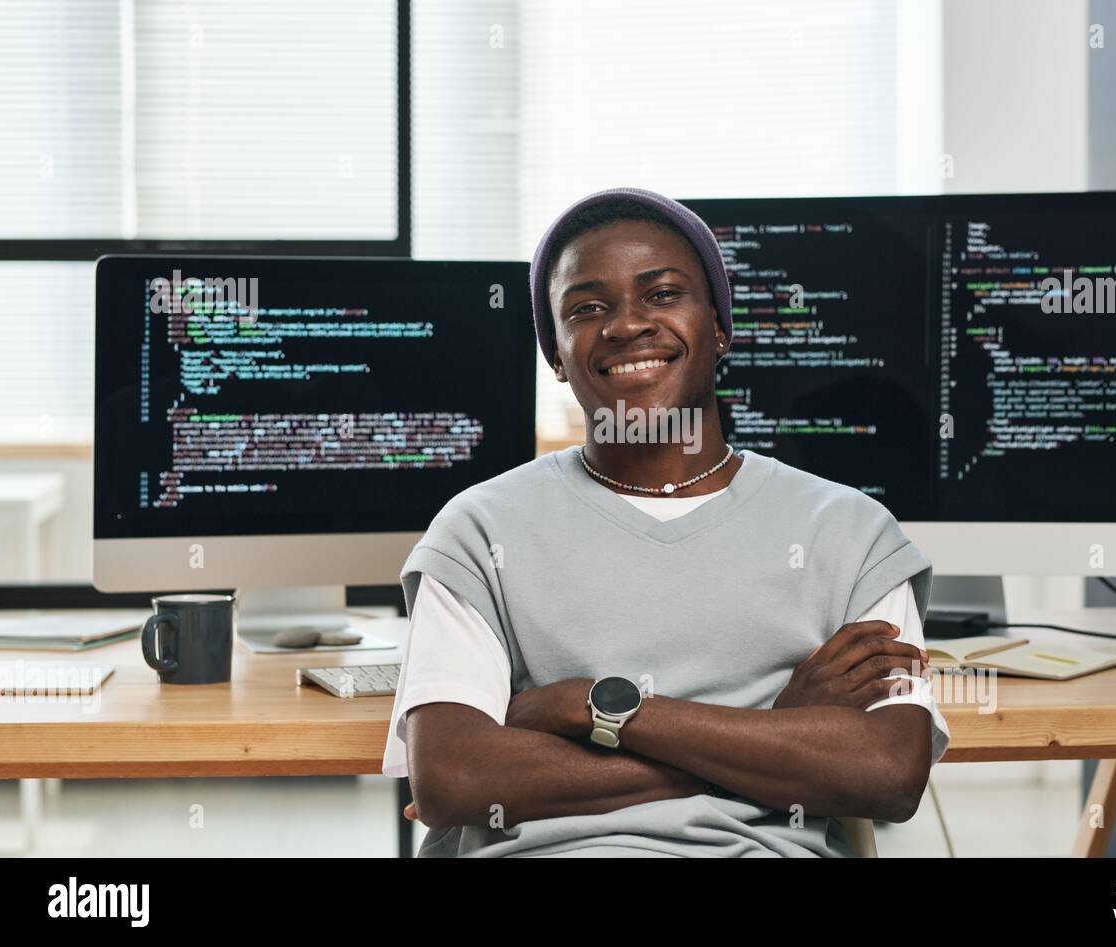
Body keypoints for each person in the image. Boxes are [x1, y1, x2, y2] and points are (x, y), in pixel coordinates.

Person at [381, 187, 949, 857]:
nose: (627, 324)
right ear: (556, 355)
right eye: (588, 307)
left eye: (661, 294)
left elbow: (887, 773)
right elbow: (455, 778)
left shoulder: (851, 534)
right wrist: (769, 734)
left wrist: (589, 708)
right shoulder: (478, 530)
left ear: (719, 326)